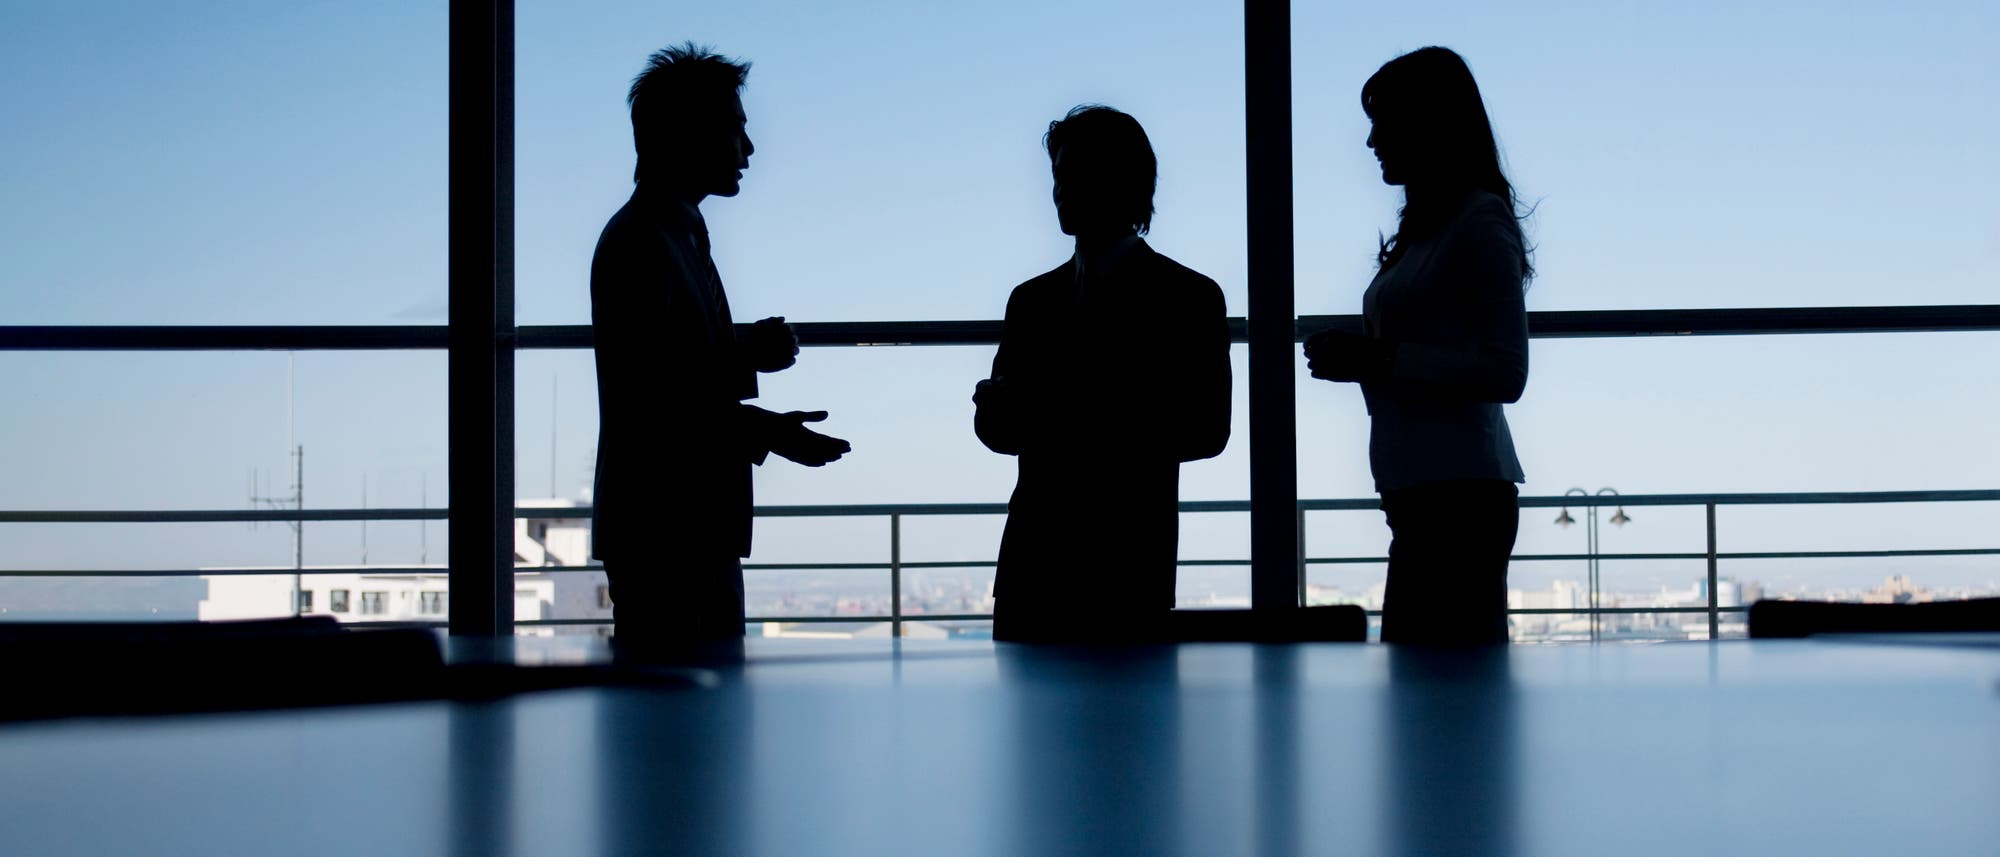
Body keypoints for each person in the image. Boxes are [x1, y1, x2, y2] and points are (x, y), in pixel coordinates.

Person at [590, 43, 849, 646]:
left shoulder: (663, 234)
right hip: (671, 527)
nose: (748, 149)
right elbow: (655, 404)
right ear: (687, 135)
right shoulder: (648, 243)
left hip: (674, 526)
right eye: (735, 131)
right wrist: (765, 427)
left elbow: (664, 371)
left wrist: (741, 353)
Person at [975, 105, 1232, 643]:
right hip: (1057, 563)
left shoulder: (1189, 298)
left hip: (1113, 567)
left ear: (1123, 182)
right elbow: (1199, 429)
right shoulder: (1184, 296)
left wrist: (1033, 410)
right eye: (1058, 177)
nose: (1061, 191)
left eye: (1073, 175)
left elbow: (1209, 430)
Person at [1304, 47, 1532, 645]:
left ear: (1428, 125)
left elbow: (1506, 371)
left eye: (1384, 121)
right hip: (1433, 494)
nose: (1373, 139)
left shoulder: (1476, 222)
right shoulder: (1438, 227)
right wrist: (1371, 357)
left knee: (1434, 687)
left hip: (1455, 500)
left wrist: (1375, 359)